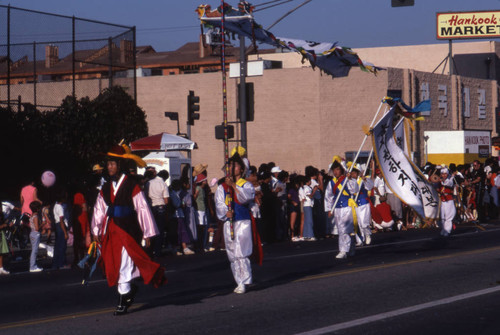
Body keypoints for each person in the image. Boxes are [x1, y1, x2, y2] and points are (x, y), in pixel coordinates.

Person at [91, 144, 166, 315]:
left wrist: (147, 232)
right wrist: (95, 230)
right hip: (112, 229)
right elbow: (99, 209)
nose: (109, 167)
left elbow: (142, 208)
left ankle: (123, 299)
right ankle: (128, 291)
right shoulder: (105, 187)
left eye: (112, 164)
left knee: (124, 262)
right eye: (108, 164)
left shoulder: (132, 185)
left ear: (120, 165)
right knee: (113, 262)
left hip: (128, 229)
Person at [215, 153, 262, 294]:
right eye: (230, 165)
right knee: (231, 252)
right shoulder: (222, 187)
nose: (232, 168)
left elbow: (245, 198)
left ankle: (245, 280)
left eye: (235, 165)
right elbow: (219, 203)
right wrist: (225, 212)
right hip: (229, 222)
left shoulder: (246, 184)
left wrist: (234, 186)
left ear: (241, 169)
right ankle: (239, 280)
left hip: (242, 221)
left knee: (241, 251)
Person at [324, 158, 359, 259]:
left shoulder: (346, 179)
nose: (335, 172)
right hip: (337, 208)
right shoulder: (331, 183)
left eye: (337, 169)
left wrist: (349, 179)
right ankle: (351, 247)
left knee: (345, 229)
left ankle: (343, 250)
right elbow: (328, 197)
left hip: (347, 207)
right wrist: (330, 209)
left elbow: (354, 190)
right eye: (334, 170)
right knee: (341, 230)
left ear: (342, 170)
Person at [146, 168, 170, 257]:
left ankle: (150, 250)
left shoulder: (148, 183)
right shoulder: (163, 184)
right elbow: (166, 200)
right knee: (160, 230)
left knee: (152, 229)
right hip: (161, 207)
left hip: (151, 207)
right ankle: (158, 251)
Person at [350, 162, 374, 246]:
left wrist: (365, 179)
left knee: (364, 223)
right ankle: (361, 239)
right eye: (351, 172)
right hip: (355, 204)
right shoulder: (350, 181)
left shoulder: (362, 180)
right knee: (358, 223)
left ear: (357, 173)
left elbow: (370, 186)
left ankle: (368, 234)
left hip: (364, 203)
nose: (353, 174)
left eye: (354, 172)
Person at [52, 192, 69, 270]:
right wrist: (65, 232)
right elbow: (61, 221)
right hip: (61, 226)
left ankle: (56, 263)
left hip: (57, 225)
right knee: (62, 246)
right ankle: (61, 263)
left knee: (57, 246)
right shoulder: (60, 207)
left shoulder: (55, 206)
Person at [438, 167, 456, 237]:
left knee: (448, 216)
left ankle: (447, 230)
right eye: (442, 174)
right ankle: (443, 229)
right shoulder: (439, 181)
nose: (444, 175)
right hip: (442, 200)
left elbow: (447, 183)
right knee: (442, 217)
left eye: (445, 174)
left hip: (449, 200)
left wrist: (441, 181)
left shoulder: (450, 179)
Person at [29, 201, 43, 272]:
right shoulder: (36, 217)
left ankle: (33, 265)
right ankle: (32, 266)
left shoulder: (32, 216)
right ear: (37, 209)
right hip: (35, 234)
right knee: (34, 251)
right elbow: (37, 228)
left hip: (32, 233)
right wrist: (43, 224)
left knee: (33, 250)